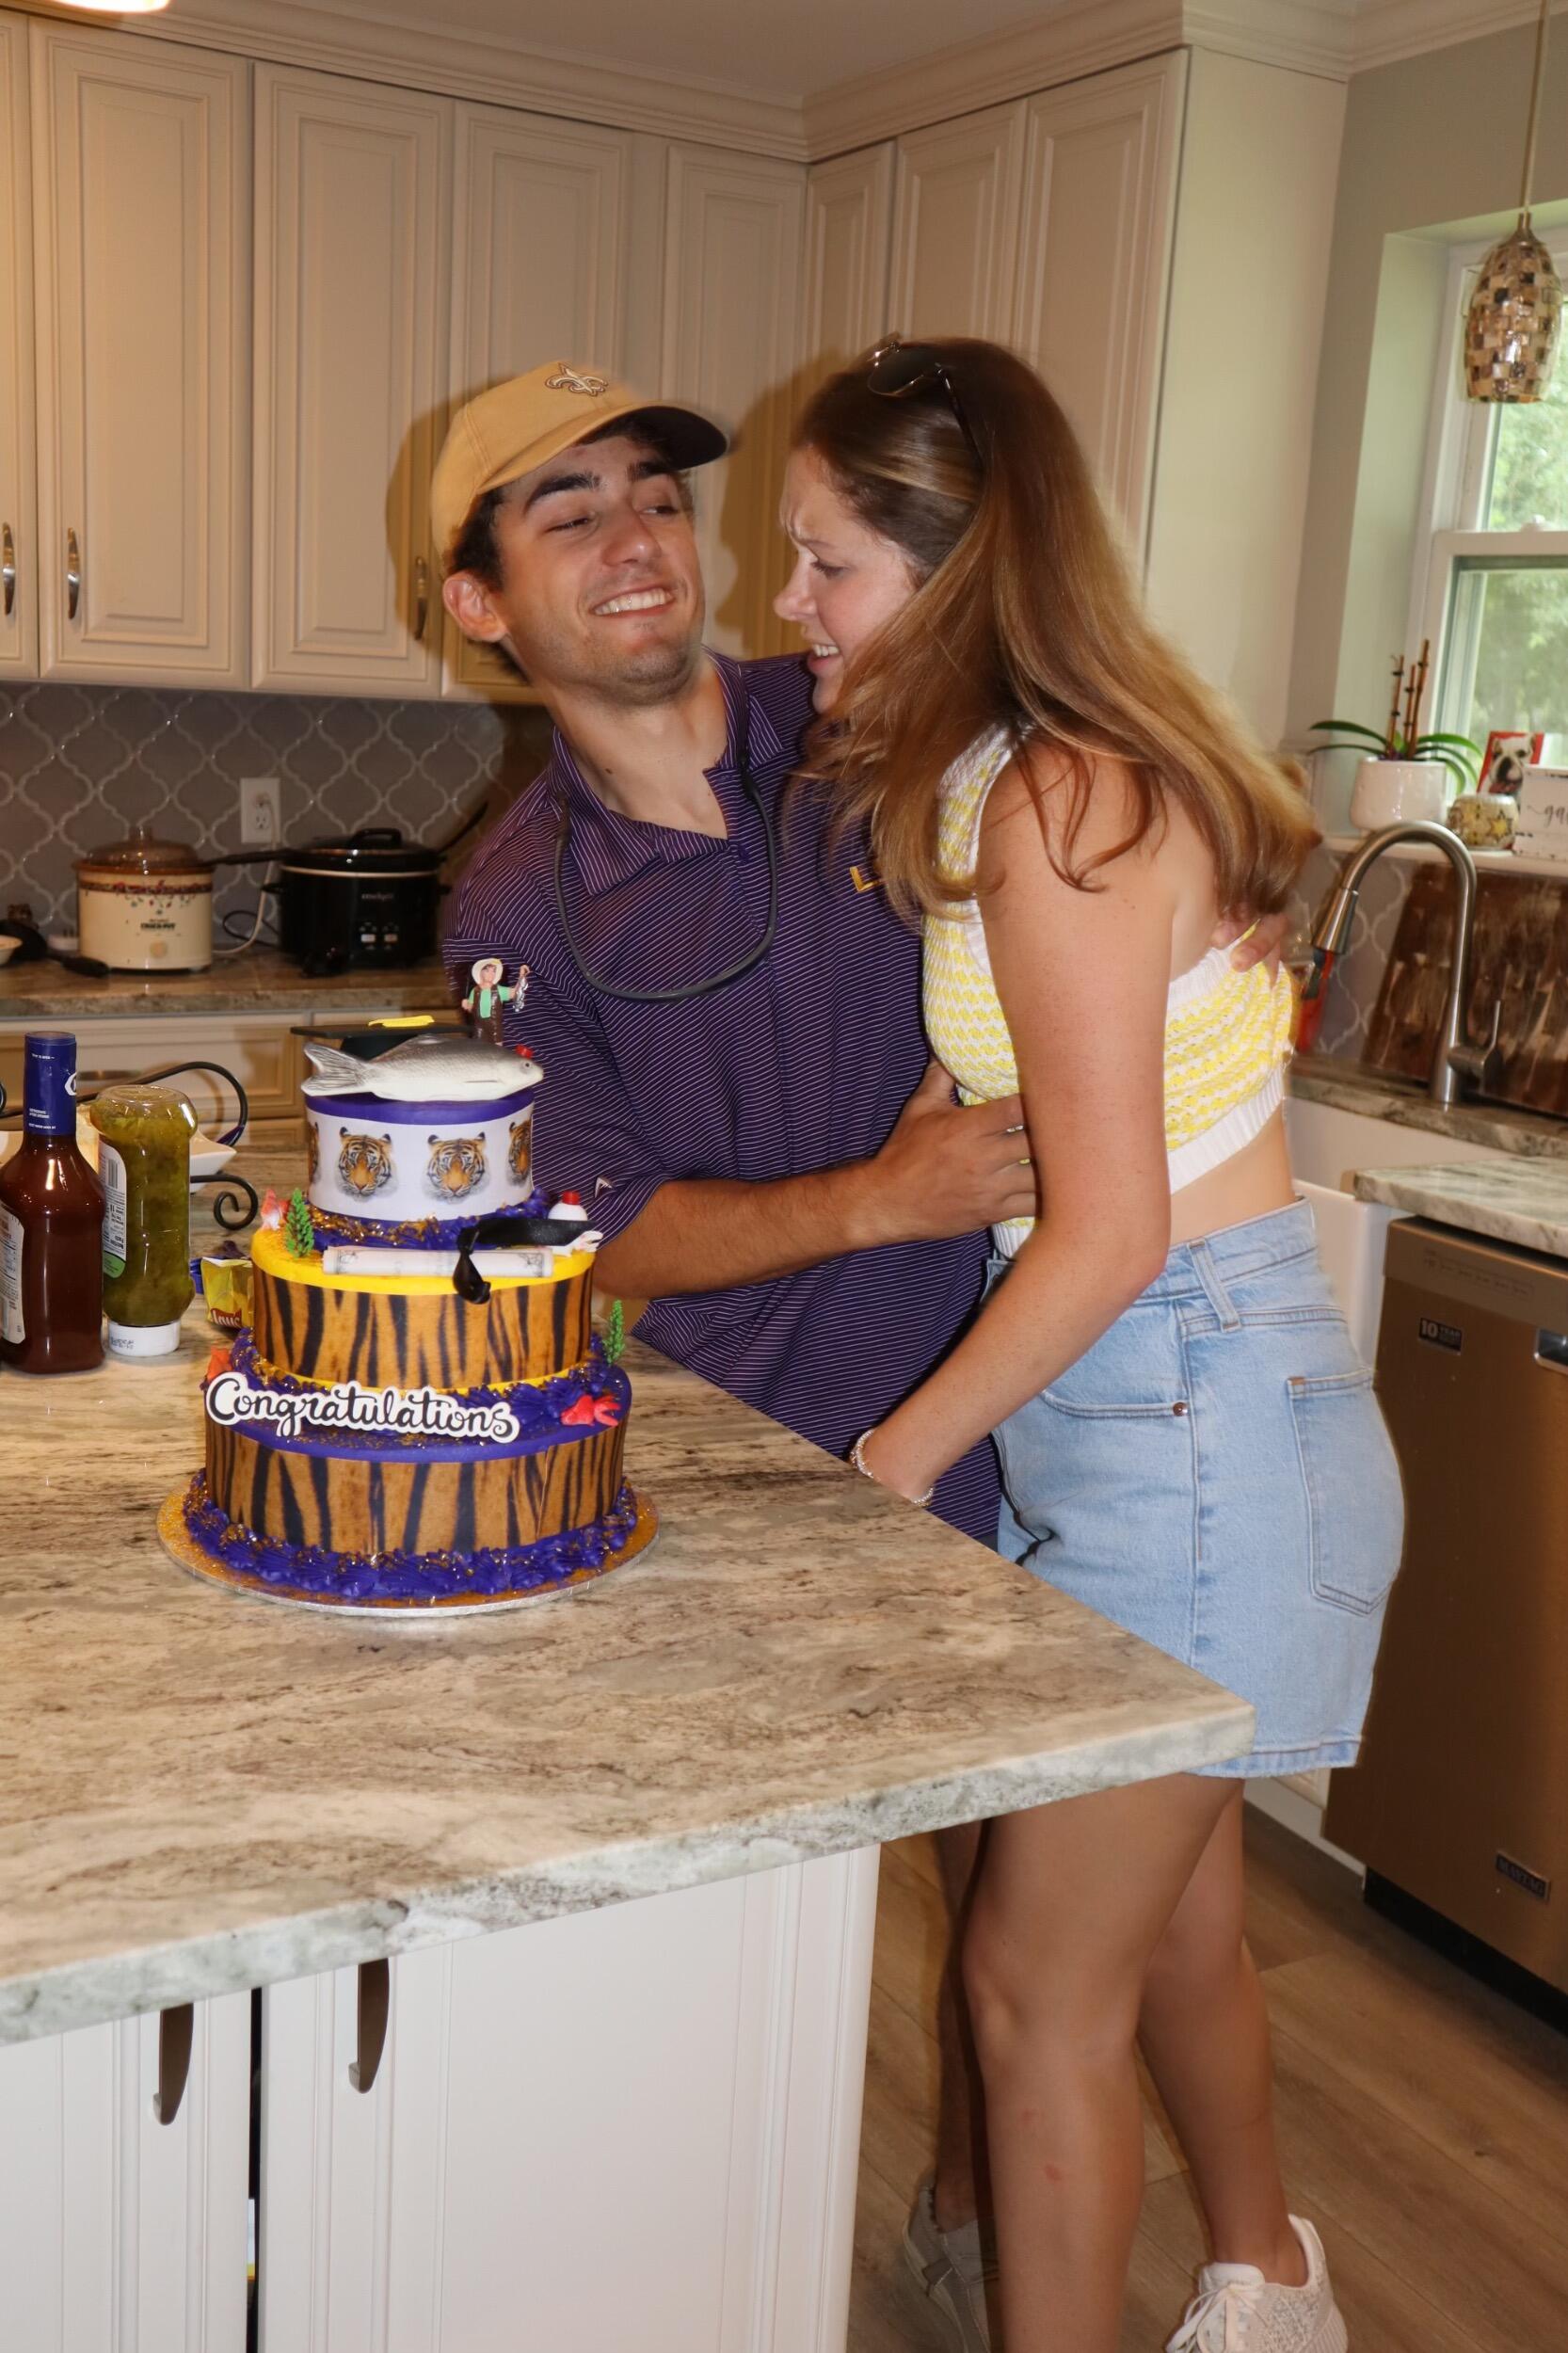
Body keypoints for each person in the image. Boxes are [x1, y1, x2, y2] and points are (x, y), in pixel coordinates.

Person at [433, 358, 1288, 2345]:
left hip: (1042, 1399)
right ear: (479, 604)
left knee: (1095, 1915)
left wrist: (1236, 923)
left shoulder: (867, 710)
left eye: (655, 494)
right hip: (762, 1458)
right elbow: (584, 1226)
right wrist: (873, 1197)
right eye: (566, 512)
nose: (637, 539)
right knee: (776, 1928)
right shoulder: (513, 905)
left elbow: (1109, 770)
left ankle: (997, 2208)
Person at [775, 335, 1404, 2353]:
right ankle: (1270, 2287)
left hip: (1193, 1430)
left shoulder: (1058, 797)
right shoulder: (1015, 782)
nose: (788, 602)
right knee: (1178, 1933)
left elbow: (1110, 1225)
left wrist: (888, 1459)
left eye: (826, 563)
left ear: (955, 570)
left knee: (1029, 1989)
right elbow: (1039, 1137)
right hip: (1174, 1419)